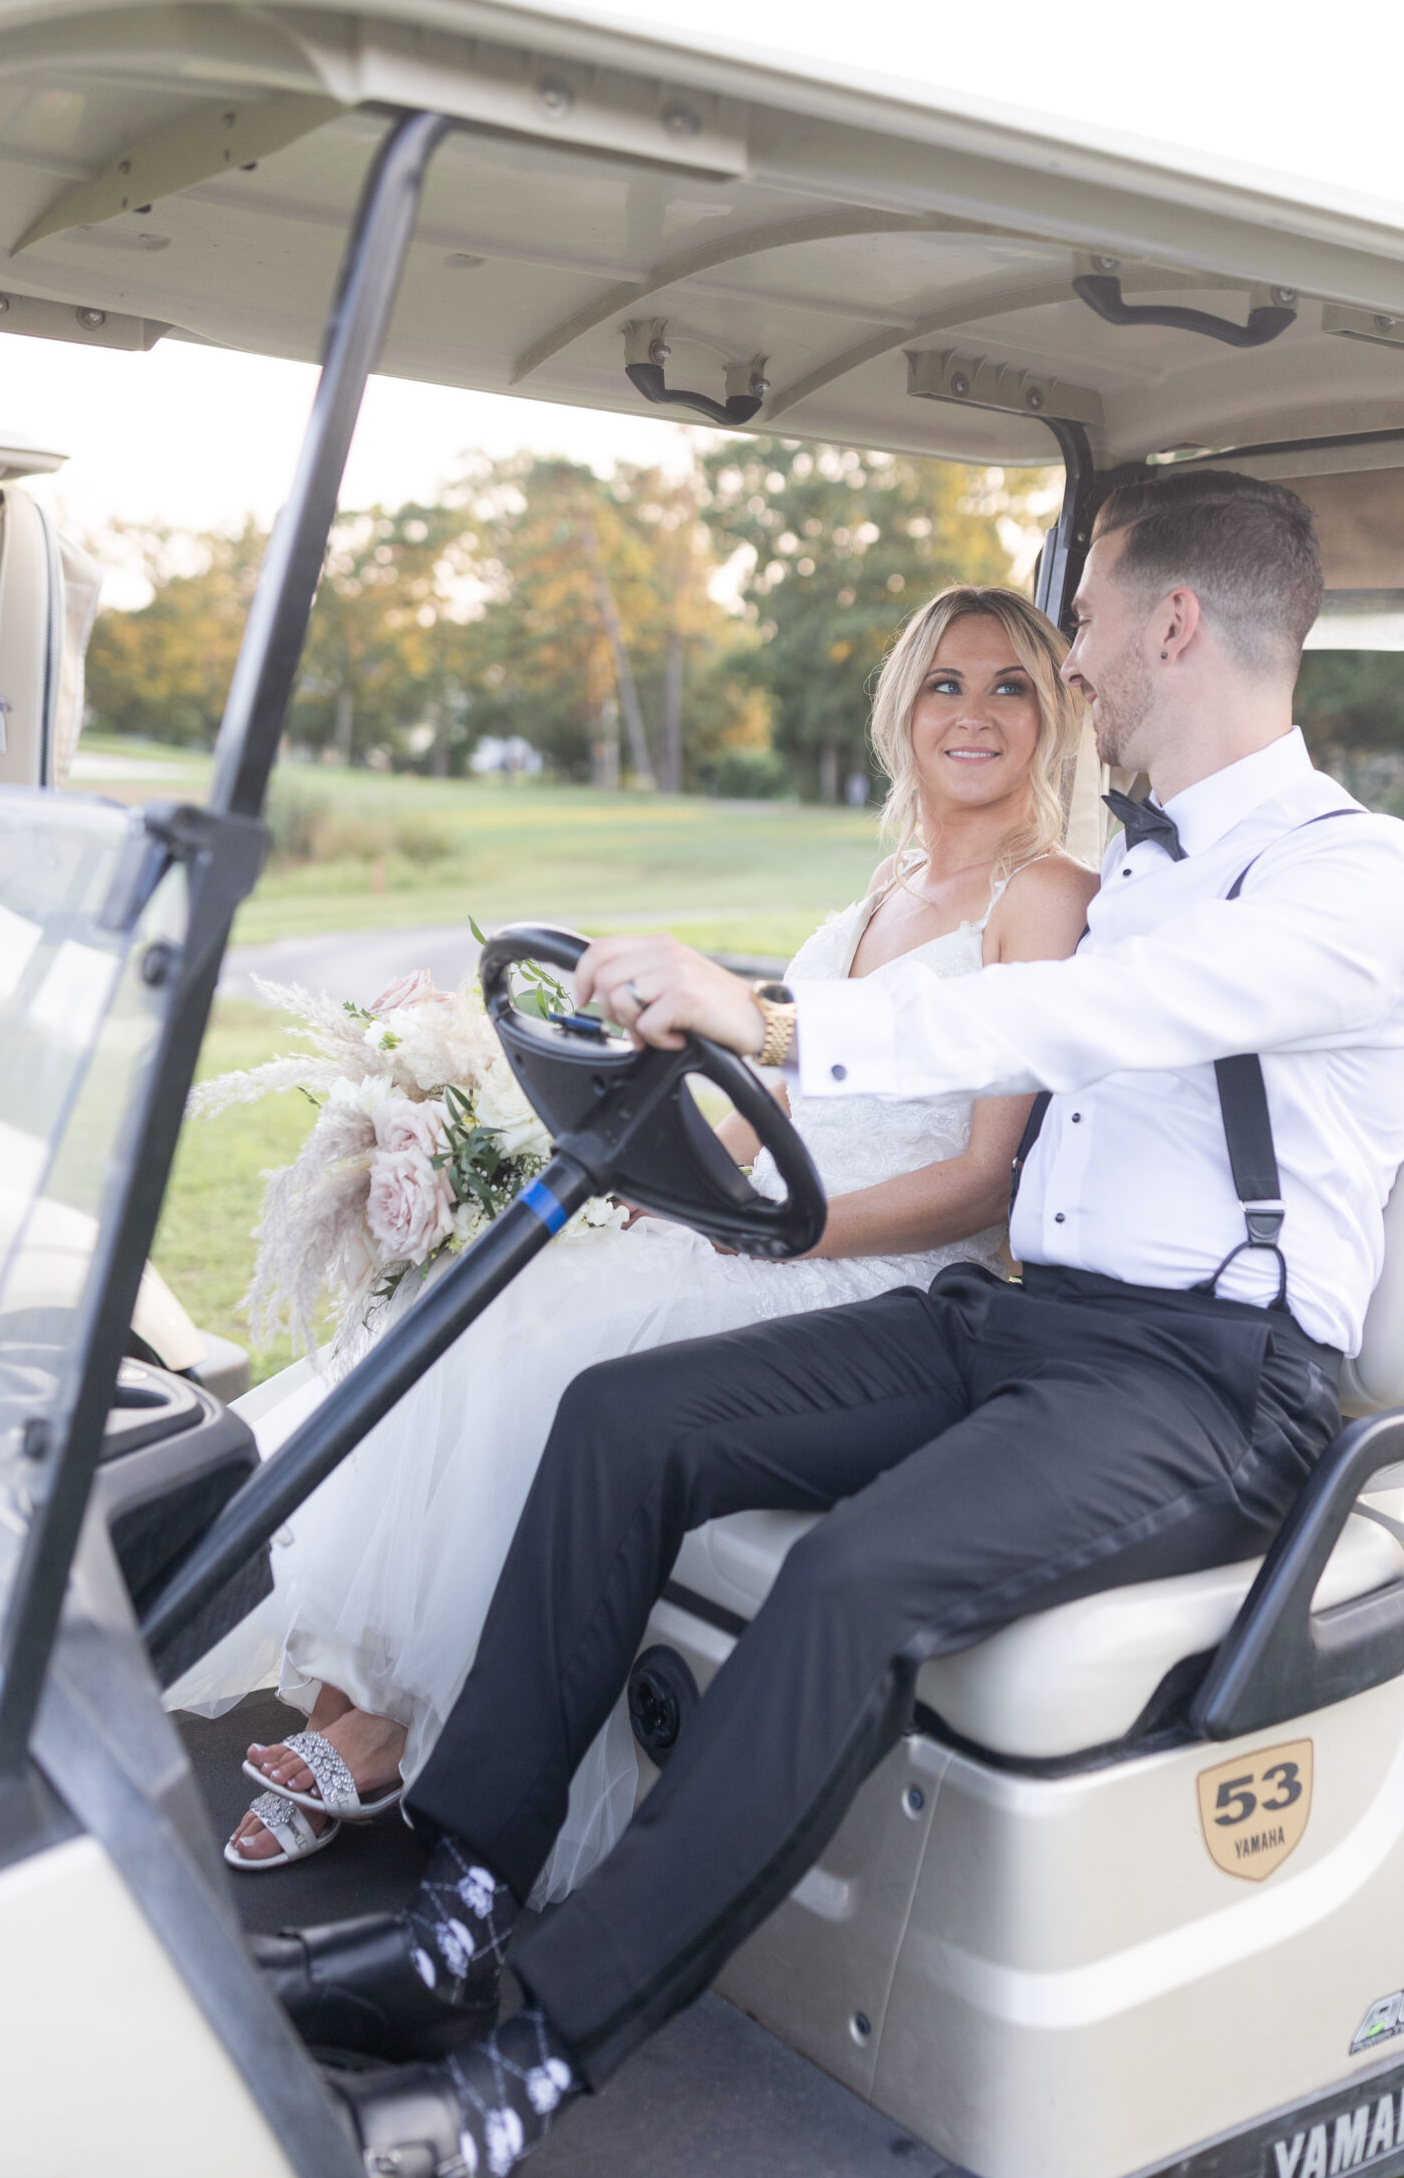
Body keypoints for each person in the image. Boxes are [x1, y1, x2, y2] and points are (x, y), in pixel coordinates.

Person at [259, 469, 1404, 2178]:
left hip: (1207, 1386)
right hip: (1024, 1325)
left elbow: (1093, 1015)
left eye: (1088, 621)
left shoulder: (1357, 881)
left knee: (852, 1581)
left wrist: (790, 1019)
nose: (1073, 664)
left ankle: (527, 2055)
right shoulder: (1129, 866)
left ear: (1171, 624)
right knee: (624, 1417)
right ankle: (459, 1883)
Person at [219, 585, 1096, 1872]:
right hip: (769, 1227)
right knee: (487, 1307)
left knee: (568, 1359)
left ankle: (380, 1739)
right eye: (945, 685)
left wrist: (788, 1233)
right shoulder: (890, 884)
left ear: (1052, 717)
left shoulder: (1047, 896)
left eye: (1009, 685)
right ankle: (351, 1709)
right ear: (903, 711)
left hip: (883, 1283)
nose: (974, 714)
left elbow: (983, 1182)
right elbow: (778, 1101)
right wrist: (671, 1180)